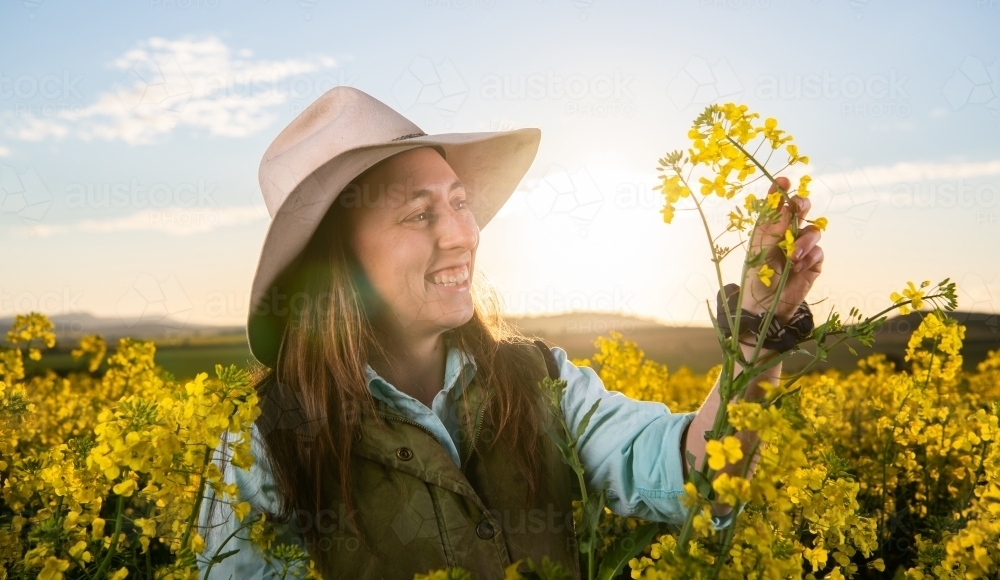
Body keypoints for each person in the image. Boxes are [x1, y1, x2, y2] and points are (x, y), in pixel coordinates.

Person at [196, 87, 823, 580]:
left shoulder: (540, 381)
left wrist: (757, 334)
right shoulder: (265, 443)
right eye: (419, 213)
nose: (463, 235)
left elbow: (698, 477)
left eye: (459, 202)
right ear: (337, 262)